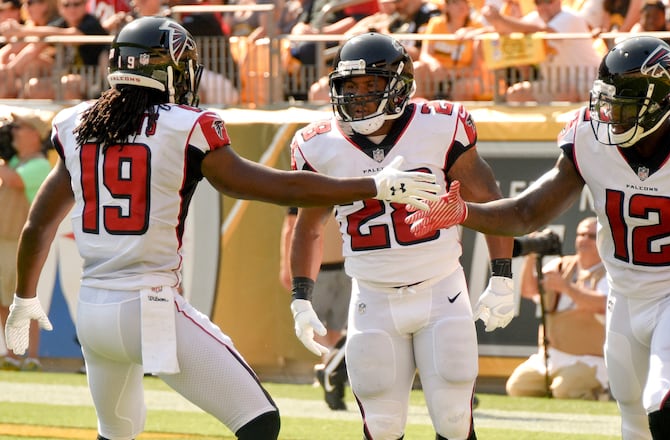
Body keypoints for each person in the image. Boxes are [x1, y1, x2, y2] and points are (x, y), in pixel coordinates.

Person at [2, 16, 440, 440]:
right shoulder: (184, 125)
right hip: (150, 306)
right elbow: (267, 185)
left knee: (116, 432)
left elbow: (38, 226)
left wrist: (24, 298)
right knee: (259, 420)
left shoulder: (78, 124)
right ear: (171, 68)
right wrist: (373, 186)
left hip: (93, 313)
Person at [405, 35, 670, 440]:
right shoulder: (587, 138)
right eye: (606, 101)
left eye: (622, 105)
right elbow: (527, 211)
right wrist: (463, 213)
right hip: (623, 298)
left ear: (657, 100)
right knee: (633, 423)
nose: (609, 115)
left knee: (662, 405)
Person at [288, 31, 514, 440]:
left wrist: (501, 276)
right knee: (382, 424)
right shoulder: (317, 145)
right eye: (349, 86)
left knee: (453, 419)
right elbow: (309, 226)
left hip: (440, 289)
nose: (357, 96)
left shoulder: (440, 126)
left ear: (398, 87)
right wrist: (301, 297)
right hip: (372, 296)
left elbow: (490, 201)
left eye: (371, 85)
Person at [506, 217, 609, 400]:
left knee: (565, 390)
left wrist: (567, 288)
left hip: (591, 359)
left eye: (591, 236)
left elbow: (603, 305)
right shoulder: (561, 266)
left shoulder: (609, 273)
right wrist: (531, 256)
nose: (584, 240)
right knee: (518, 387)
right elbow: (529, 291)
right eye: (581, 234)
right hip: (550, 356)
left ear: (604, 240)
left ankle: (598, 393)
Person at [278, 206, 351, 410]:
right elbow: (291, 228)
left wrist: (287, 267)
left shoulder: (335, 181)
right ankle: (331, 370)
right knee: (324, 327)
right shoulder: (313, 185)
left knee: (331, 327)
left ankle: (329, 368)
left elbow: (290, 229)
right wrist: (287, 267)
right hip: (330, 266)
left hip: (335, 266)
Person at [0, 111, 52, 372]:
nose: (14, 132)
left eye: (19, 127)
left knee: (24, 301)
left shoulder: (39, 164)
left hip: (22, 242)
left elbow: (15, 181)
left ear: (34, 134)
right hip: (4, 239)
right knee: (3, 301)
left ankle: (31, 356)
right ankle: (11, 354)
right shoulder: (16, 161)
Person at [480, 0, 602, 104]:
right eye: (538, 2)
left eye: (548, 1)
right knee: (515, 94)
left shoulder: (570, 17)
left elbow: (544, 31)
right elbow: (510, 29)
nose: (543, 7)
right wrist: (493, 19)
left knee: (566, 92)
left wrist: (500, 19)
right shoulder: (535, 18)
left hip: (589, 83)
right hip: (553, 84)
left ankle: (565, 130)